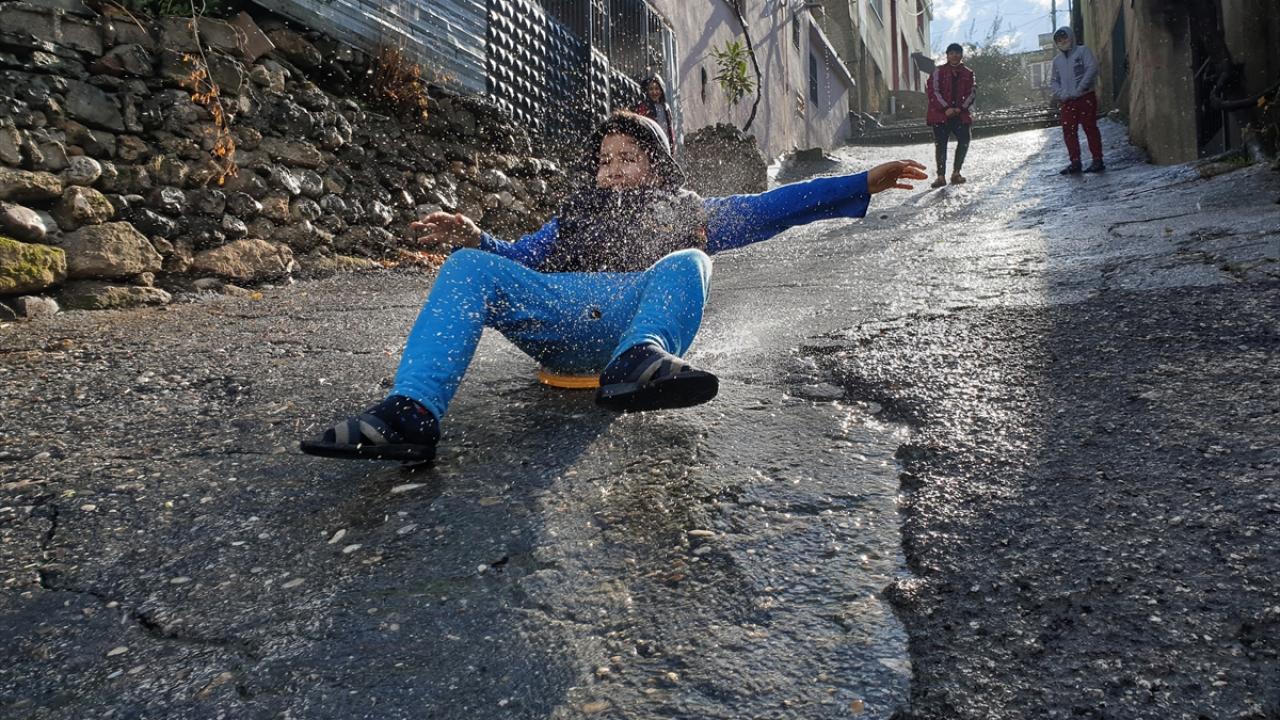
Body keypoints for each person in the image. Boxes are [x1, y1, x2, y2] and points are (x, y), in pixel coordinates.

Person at [300, 111, 926, 463]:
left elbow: (773, 207)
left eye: (626, 157)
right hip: (561, 329)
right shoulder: (571, 220)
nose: (610, 169)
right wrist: (474, 237)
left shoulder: (688, 213)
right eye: (602, 161)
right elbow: (514, 263)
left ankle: (641, 361)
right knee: (468, 271)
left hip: (629, 332)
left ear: (657, 164)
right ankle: (411, 413)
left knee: (690, 262)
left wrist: (857, 184)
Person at [1050, 26, 1104, 174]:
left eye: (1064, 38)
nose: (1062, 42)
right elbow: (1053, 81)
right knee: (1068, 130)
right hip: (1067, 101)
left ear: (1071, 37)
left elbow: (1092, 68)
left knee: (1090, 127)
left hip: (1085, 97)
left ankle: (1097, 159)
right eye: (1059, 40)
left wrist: (1080, 88)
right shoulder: (1057, 61)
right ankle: (1075, 162)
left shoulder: (1083, 51)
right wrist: (1062, 94)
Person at [925, 42, 977, 188]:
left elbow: (971, 92)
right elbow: (933, 91)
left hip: (960, 115)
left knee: (964, 139)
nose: (954, 55)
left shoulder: (968, 73)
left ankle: (956, 172)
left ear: (961, 55)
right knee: (940, 144)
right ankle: (941, 176)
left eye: (957, 52)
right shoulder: (938, 72)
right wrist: (946, 108)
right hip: (940, 115)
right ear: (947, 55)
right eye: (951, 53)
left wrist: (960, 108)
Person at [632, 76, 676, 150]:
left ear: (661, 91)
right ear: (647, 91)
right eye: (651, 89)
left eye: (657, 89)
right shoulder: (643, 107)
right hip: (650, 145)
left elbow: (670, 129)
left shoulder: (666, 107)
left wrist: (672, 146)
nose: (654, 92)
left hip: (665, 144)